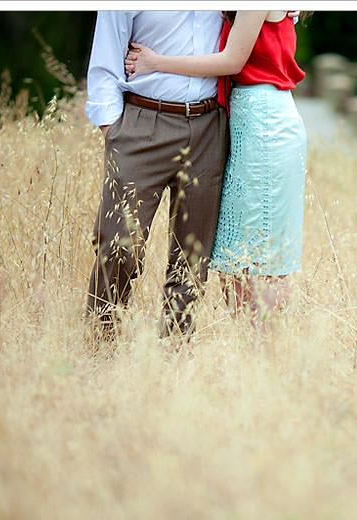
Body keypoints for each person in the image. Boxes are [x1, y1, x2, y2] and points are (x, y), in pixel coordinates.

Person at [125, 10, 308, 334]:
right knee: (242, 263)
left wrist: (157, 62)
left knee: (256, 264)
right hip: (254, 119)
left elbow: (232, 61)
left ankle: (267, 355)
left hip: (264, 123)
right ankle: (261, 355)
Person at [84, 10, 230, 343]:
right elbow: (104, 64)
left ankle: (175, 353)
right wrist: (116, 132)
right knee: (119, 244)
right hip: (142, 120)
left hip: (208, 125)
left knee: (192, 255)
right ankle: (99, 347)